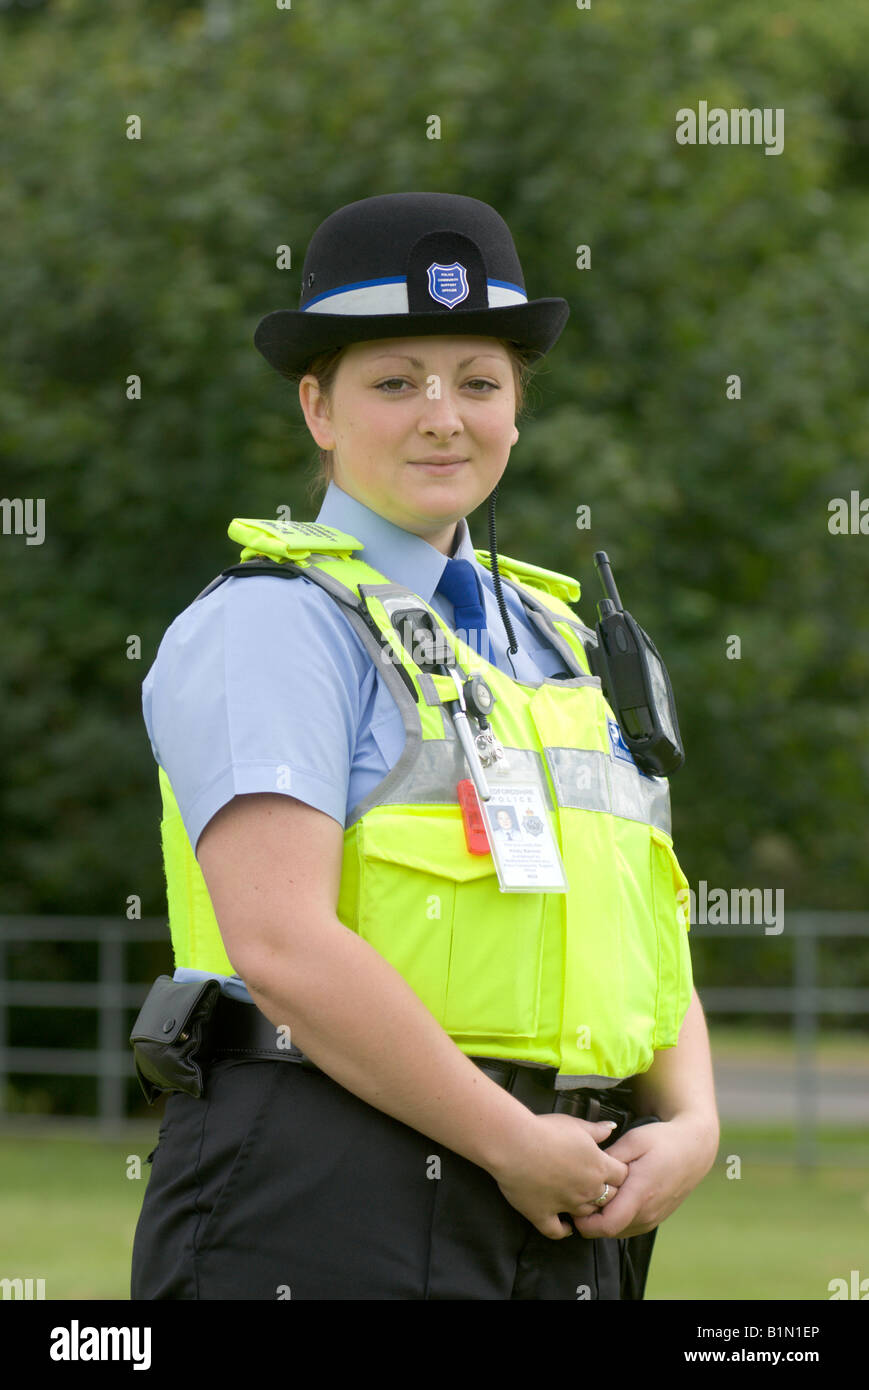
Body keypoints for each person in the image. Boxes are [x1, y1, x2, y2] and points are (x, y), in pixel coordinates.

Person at [130, 191, 719, 1302]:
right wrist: (503, 1135)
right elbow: (281, 941)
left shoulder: (559, 638)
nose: (441, 415)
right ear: (318, 408)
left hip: (565, 1191)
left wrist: (690, 1120)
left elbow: (646, 925)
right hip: (323, 1189)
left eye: (478, 382)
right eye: (394, 382)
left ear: (516, 411)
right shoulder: (274, 621)